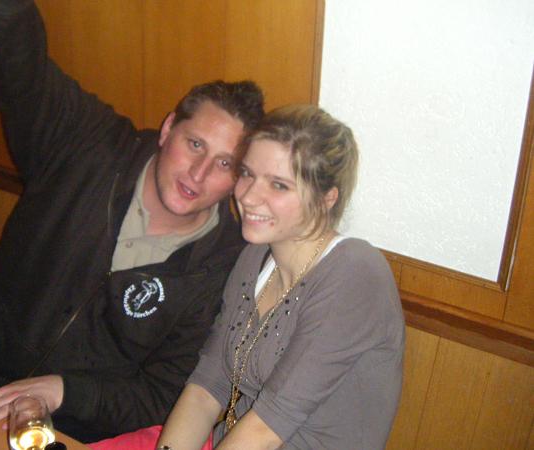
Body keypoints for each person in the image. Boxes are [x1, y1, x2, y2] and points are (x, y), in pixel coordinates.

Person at [0, 0, 264, 443]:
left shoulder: (223, 269)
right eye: (195, 144)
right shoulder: (86, 143)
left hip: (76, 426)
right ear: (167, 130)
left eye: (224, 163)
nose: (198, 174)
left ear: (238, 179)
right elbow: (17, 66)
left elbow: (163, 394)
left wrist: (63, 391)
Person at [92, 104, 405, 449]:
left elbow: (266, 428)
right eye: (247, 174)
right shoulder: (255, 256)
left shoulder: (354, 273)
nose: (248, 196)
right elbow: (207, 385)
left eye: (279, 185)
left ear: (326, 198)